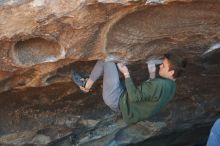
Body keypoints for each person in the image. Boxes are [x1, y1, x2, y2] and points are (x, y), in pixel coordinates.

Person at [72, 52, 187, 125]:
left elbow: (135, 96)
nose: (160, 66)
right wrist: (151, 74)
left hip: (116, 99)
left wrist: (126, 73)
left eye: (163, 65)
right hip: (126, 108)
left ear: (171, 72)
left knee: (106, 60)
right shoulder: (172, 87)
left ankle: (86, 85)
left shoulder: (158, 84)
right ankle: (105, 83)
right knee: (120, 78)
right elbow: (152, 94)